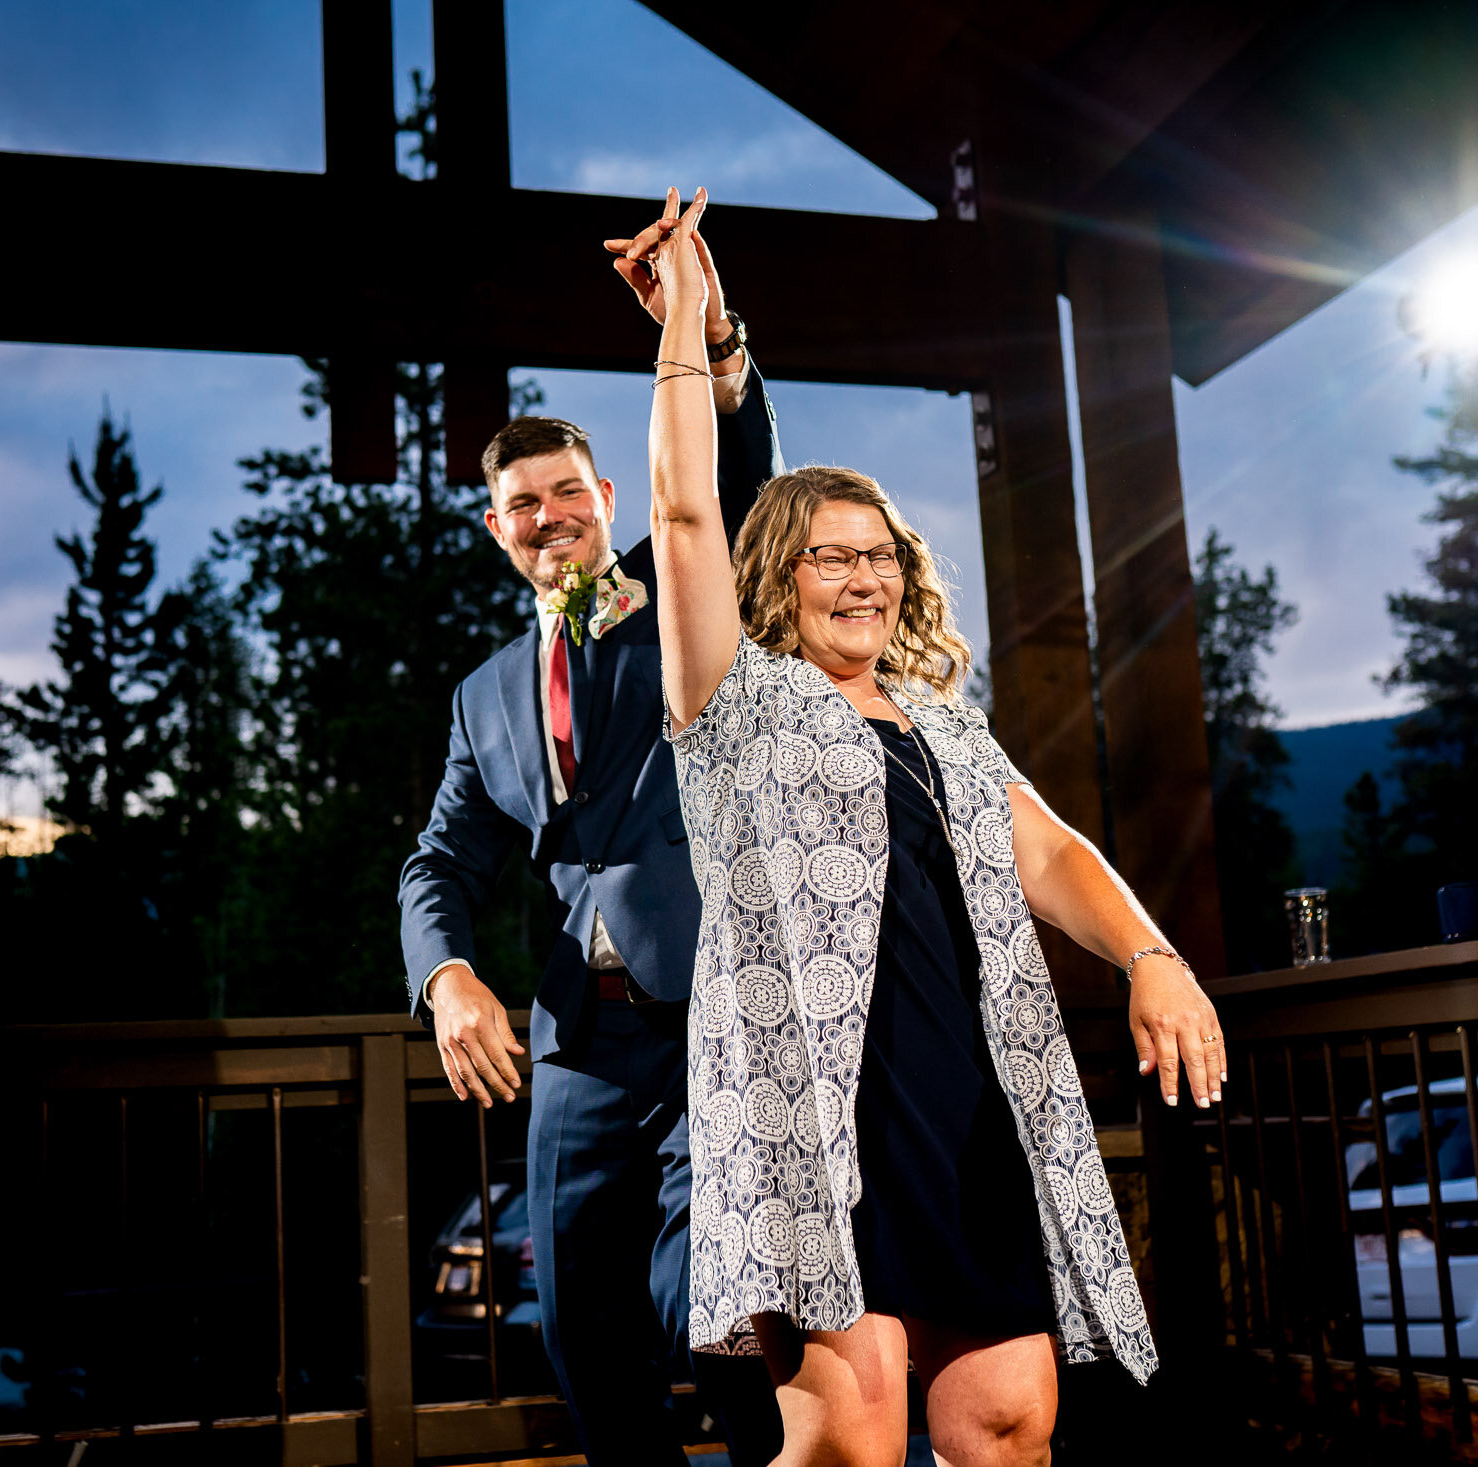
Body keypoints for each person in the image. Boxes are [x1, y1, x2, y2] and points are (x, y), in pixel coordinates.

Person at [640, 187, 1226, 1467]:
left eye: (879, 554)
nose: (863, 578)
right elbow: (685, 516)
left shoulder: (942, 722)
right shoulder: (735, 702)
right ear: (773, 584)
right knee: (848, 1442)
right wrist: (690, 325)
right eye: (827, 558)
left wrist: (1152, 958)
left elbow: (1051, 850)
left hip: (973, 1104)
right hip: (824, 1112)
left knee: (1010, 1423)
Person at [398, 200, 785, 1465]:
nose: (549, 512)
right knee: (581, 1330)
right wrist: (447, 975)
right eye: (522, 501)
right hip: (574, 1044)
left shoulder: (692, 588)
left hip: (716, 1011)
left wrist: (708, 331)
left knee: (712, 1314)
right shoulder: (481, 696)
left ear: (608, 496)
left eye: (569, 490)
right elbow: (440, 862)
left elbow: (734, 478)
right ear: (495, 527)